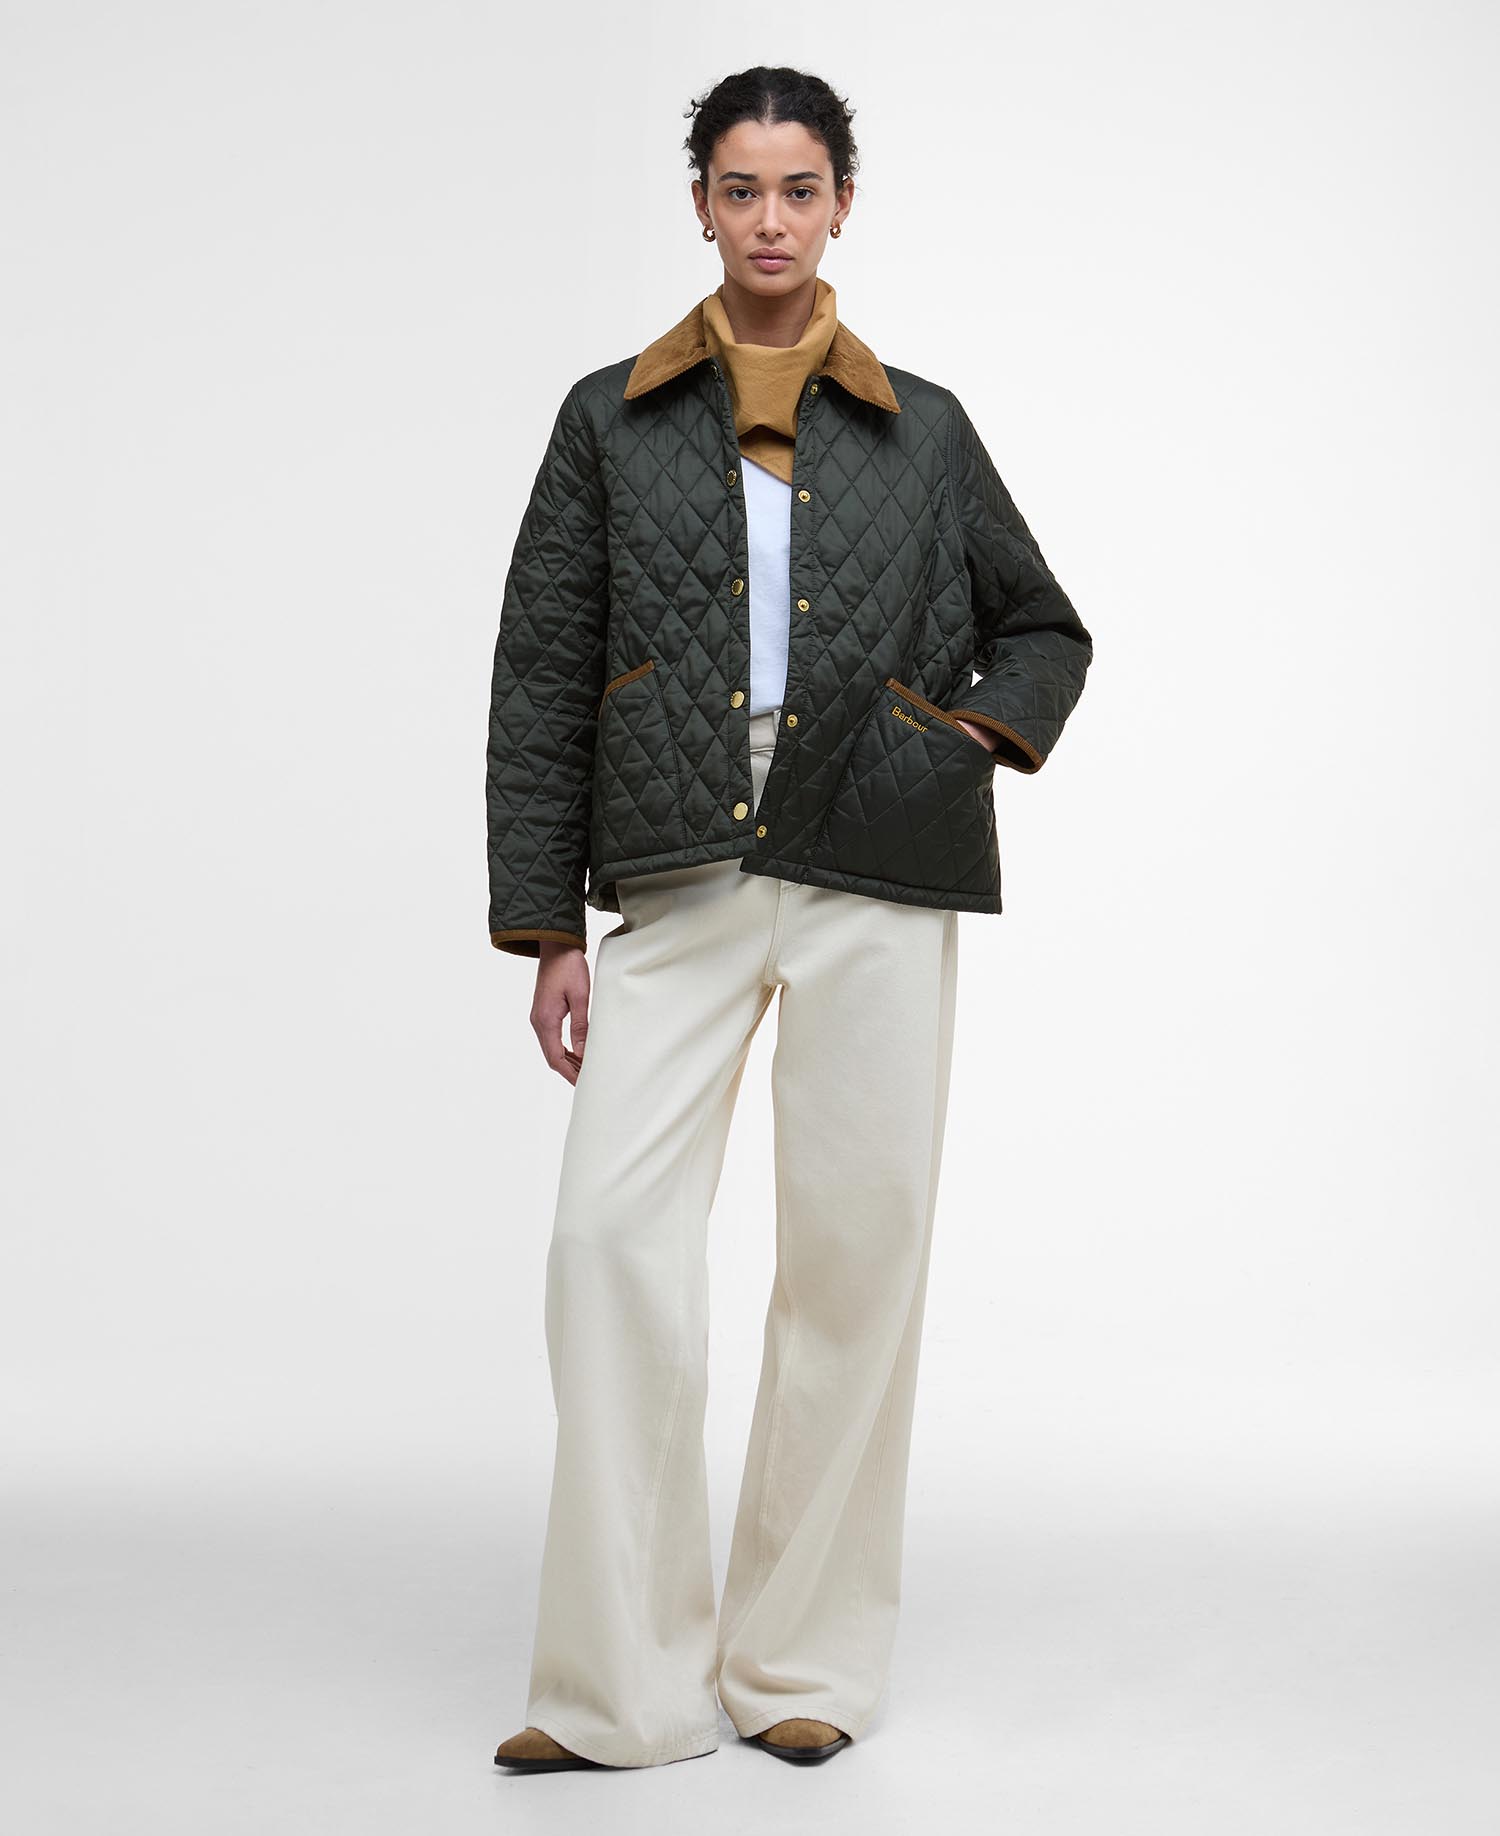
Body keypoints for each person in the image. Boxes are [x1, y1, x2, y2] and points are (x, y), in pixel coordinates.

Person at [487, 65, 1093, 1773]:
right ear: (699, 204)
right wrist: (546, 925)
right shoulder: (609, 418)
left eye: (800, 189)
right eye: (740, 188)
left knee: (854, 1257)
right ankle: (618, 1688)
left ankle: (802, 1660)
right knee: (608, 1245)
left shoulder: (927, 427)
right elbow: (541, 673)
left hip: (876, 863)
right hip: (678, 869)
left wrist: (954, 740)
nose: (770, 220)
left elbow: (1044, 628)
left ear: (841, 205)